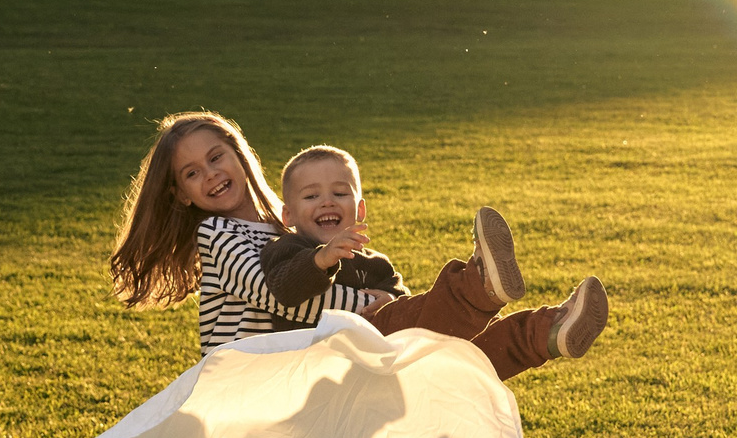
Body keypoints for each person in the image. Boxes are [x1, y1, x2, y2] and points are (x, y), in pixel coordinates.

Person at [260, 144, 608, 377]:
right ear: (287, 214)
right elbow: (284, 289)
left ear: (360, 209)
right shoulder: (286, 248)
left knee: (463, 355)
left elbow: (415, 311)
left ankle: (547, 334)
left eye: (340, 193)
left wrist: (390, 299)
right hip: (325, 367)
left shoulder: (376, 263)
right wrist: (321, 259)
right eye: (311, 196)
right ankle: (479, 286)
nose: (327, 202)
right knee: (408, 319)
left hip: (390, 368)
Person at [108, 111, 372, 350]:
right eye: (192, 173)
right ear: (182, 195)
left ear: (239, 155)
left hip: (284, 375)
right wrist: (370, 305)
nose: (210, 174)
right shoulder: (216, 235)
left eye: (215, 157)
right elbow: (280, 298)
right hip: (238, 381)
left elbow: (324, 277)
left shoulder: (285, 221)